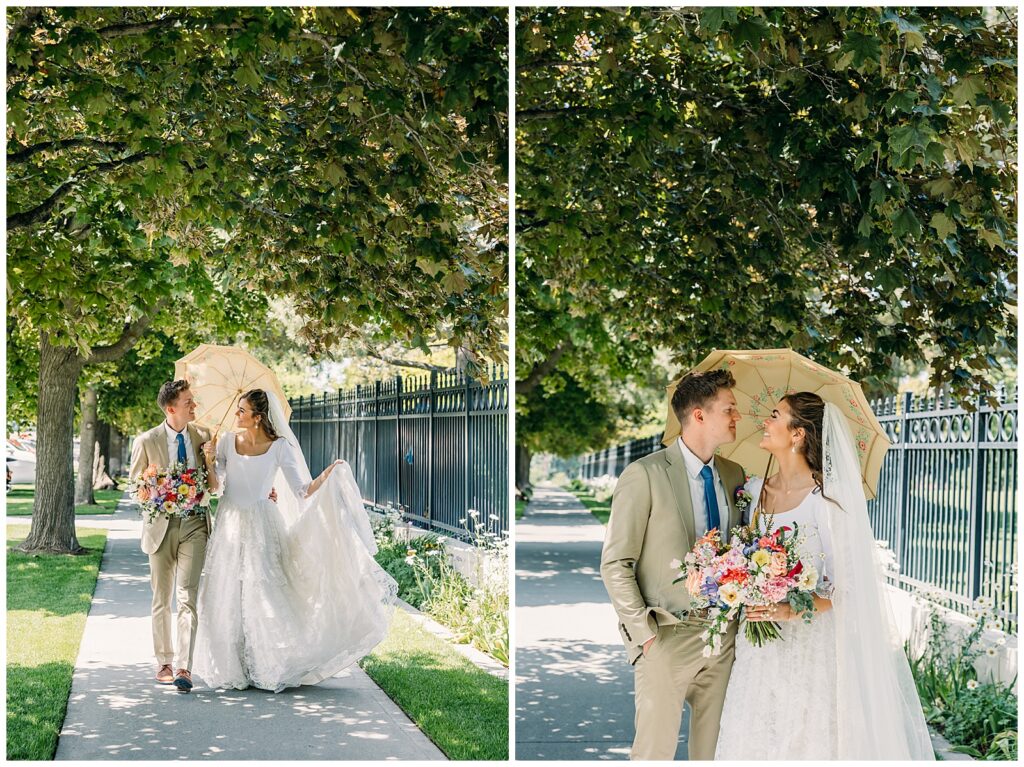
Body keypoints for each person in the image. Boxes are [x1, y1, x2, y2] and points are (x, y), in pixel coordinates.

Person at [715, 392, 933, 760]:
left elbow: (848, 587)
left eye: (775, 416)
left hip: (808, 645)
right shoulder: (752, 493)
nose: (765, 423)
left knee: (803, 738)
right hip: (758, 647)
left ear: (798, 434)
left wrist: (791, 609)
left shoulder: (826, 500)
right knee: (754, 736)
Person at [192, 388, 397, 692]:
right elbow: (213, 488)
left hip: (263, 525)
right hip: (230, 522)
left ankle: (265, 662)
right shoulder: (225, 442)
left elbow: (302, 490)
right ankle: (236, 664)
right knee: (229, 592)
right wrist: (209, 461)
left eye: (242, 410)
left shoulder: (280, 448)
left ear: (258, 418)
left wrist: (330, 473)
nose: (237, 414)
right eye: (237, 409)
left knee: (264, 592)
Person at [600, 369, 746, 760]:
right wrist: (643, 633)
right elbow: (616, 562)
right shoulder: (644, 474)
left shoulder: (734, 475)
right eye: (730, 409)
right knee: (654, 753)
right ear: (699, 415)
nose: (738, 417)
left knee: (715, 753)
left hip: (725, 636)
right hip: (666, 635)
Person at [128, 380, 211, 692]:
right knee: (161, 597)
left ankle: (184, 666)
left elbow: (214, 481)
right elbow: (135, 487)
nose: (194, 406)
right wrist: (150, 490)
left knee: (187, 596)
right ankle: (163, 660)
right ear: (171, 408)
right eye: (189, 402)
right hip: (160, 527)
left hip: (194, 524)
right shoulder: (146, 441)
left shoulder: (203, 436)